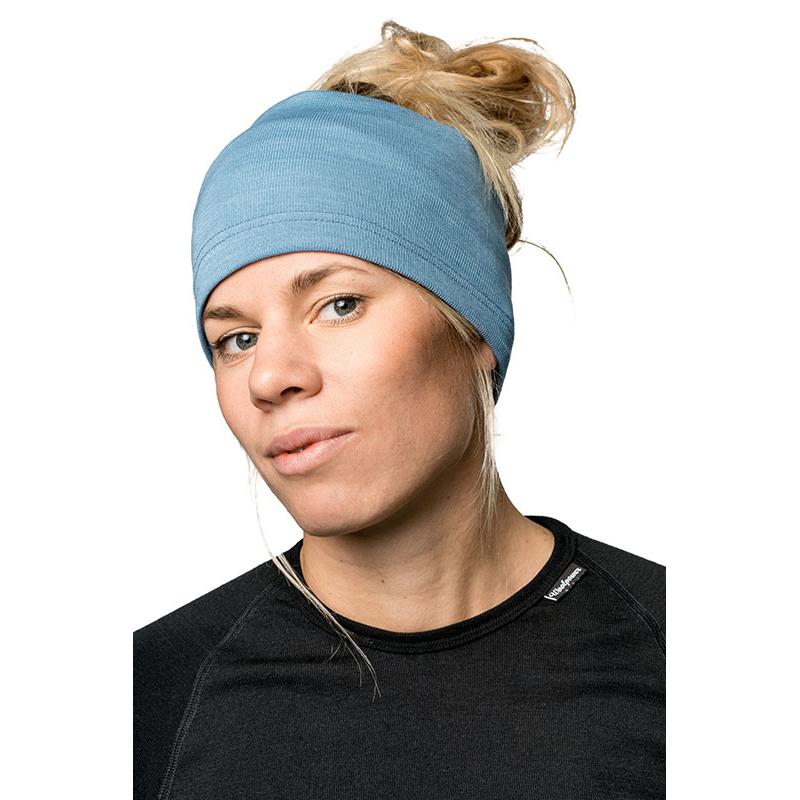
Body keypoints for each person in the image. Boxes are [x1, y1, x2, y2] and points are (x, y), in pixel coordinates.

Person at [134, 20, 666, 800]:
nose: (270, 376)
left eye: (339, 304)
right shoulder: (148, 699)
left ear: (474, 326)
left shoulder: (687, 663)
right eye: (236, 339)